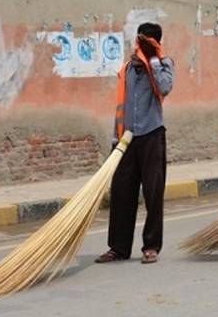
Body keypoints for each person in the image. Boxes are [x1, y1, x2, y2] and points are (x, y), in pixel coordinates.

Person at [96, 22, 175, 264]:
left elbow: (165, 87)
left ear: (155, 44)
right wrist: (114, 138)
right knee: (121, 192)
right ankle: (119, 247)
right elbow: (121, 106)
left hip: (152, 135)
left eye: (145, 42)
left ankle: (151, 246)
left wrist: (152, 59)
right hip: (126, 138)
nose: (138, 46)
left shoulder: (165, 65)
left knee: (153, 193)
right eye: (138, 41)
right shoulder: (127, 69)